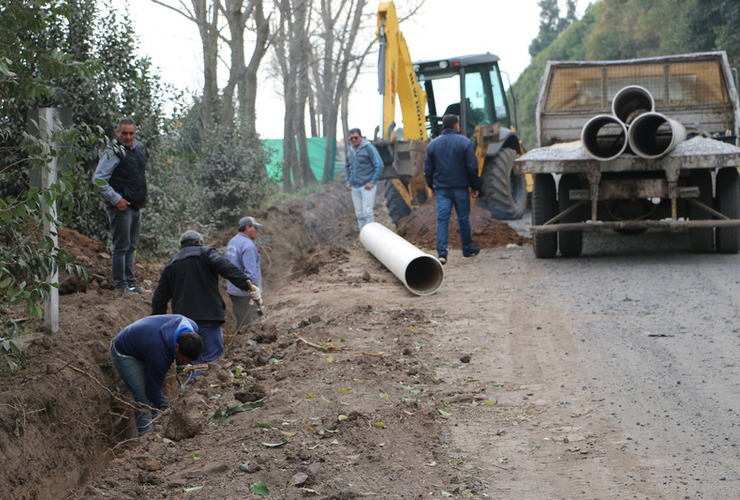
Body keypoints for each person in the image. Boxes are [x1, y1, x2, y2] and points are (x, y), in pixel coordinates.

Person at [151, 230, 258, 365]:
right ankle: (207, 385)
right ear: (200, 242)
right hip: (210, 317)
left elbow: (159, 298)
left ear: (181, 246)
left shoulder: (171, 264)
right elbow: (227, 269)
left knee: (187, 361)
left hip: (184, 322)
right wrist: (247, 285)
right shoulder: (207, 253)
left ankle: (191, 385)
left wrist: (157, 325)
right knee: (211, 361)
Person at [110, 314, 202, 436]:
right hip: (126, 352)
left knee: (155, 394)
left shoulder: (192, 329)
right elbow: (152, 390)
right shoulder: (159, 353)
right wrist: (170, 411)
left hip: (145, 344)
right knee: (144, 399)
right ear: (177, 347)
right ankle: (147, 441)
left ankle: (158, 428)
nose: (186, 364)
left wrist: (182, 364)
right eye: (184, 360)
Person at [93, 117, 149, 295]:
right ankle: (121, 285)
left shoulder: (137, 150)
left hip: (135, 206)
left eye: (131, 133)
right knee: (121, 246)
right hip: (121, 207)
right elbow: (98, 180)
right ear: (118, 133)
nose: (128, 136)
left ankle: (131, 284)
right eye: (124, 133)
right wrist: (116, 199)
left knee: (131, 246)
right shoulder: (113, 152)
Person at [423, 114, 482, 264]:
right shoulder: (465, 142)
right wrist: (475, 187)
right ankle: (467, 249)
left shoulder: (433, 145)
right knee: (463, 219)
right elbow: (472, 167)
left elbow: (428, 170)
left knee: (442, 220)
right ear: (456, 126)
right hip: (461, 188)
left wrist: (432, 186)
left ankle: (442, 253)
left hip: (442, 189)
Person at [225, 216, 264, 333]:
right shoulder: (248, 246)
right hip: (246, 294)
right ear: (247, 228)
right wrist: (253, 292)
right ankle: (250, 345)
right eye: (255, 227)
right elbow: (250, 274)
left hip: (233, 291)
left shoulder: (232, 242)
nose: (257, 230)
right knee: (254, 323)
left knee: (241, 320)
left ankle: (240, 344)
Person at [345, 127, 382, 231]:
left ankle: (371, 237)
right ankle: (363, 236)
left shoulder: (369, 148)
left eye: (355, 138)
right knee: (359, 214)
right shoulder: (350, 150)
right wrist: (348, 181)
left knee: (367, 213)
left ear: (361, 137)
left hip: (366, 186)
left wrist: (372, 181)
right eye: (351, 138)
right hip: (354, 187)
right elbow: (347, 166)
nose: (353, 140)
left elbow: (379, 165)